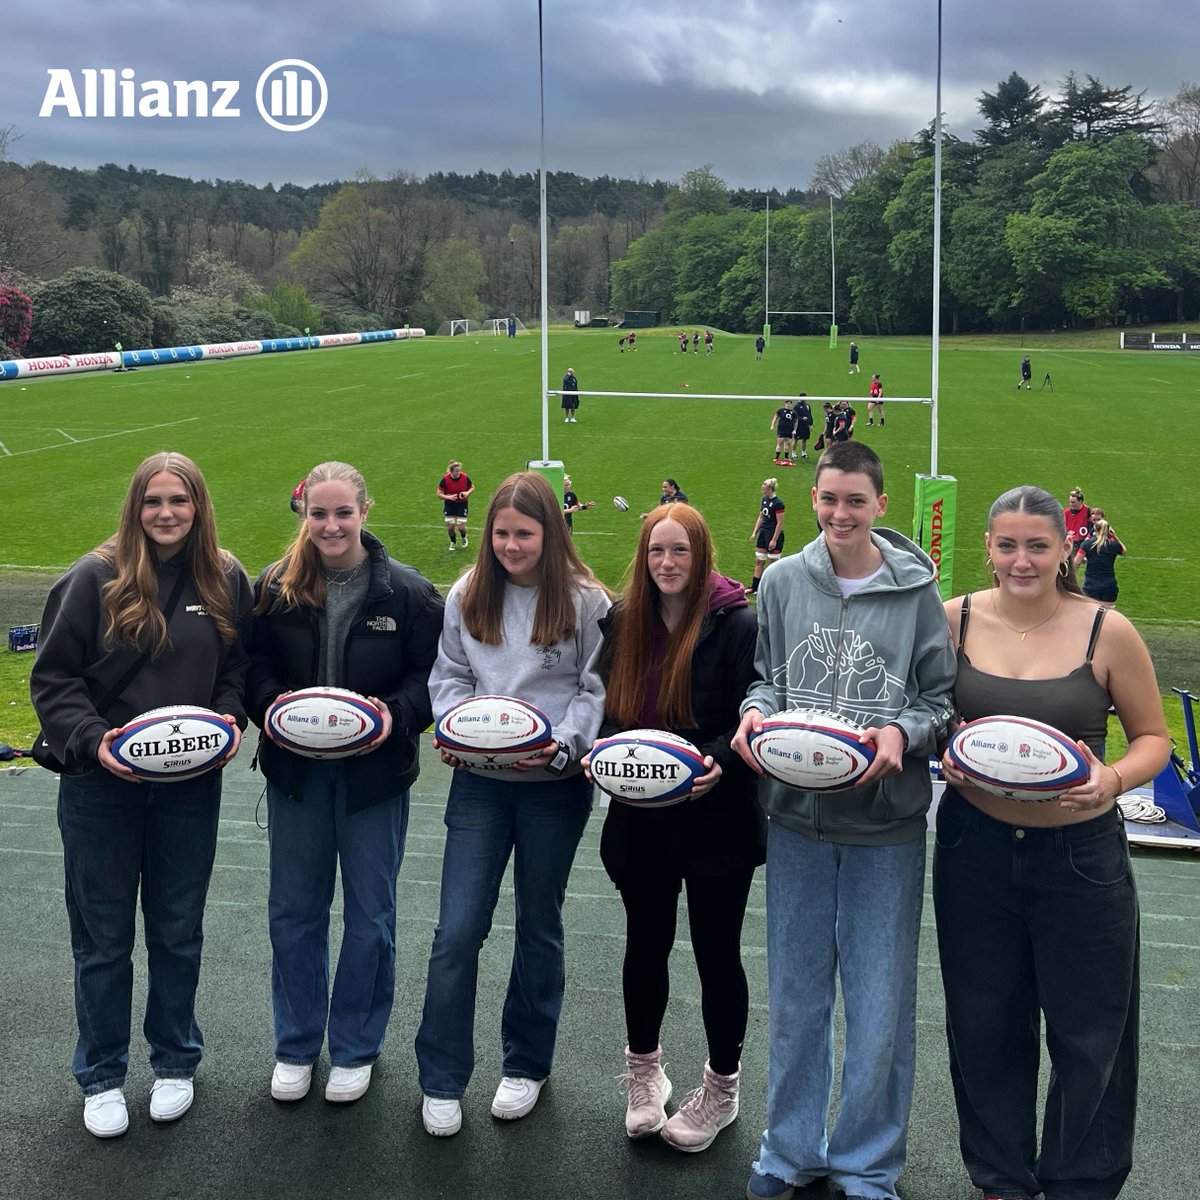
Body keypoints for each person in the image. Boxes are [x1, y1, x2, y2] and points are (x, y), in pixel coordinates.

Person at [732, 441, 956, 1200]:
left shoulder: (918, 591)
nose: (839, 514)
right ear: (814, 498)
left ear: (880, 506)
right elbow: (766, 679)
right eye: (829, 499)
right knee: (795, 998)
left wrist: (904, 733)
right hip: (796, 818)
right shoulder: (785, 582)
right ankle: (789, 1151)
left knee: (879, 1003)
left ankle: (867, 1165)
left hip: (884, 828)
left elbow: (937, 699)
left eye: (855, 501)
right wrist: (754, 716)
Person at [934, 485, 1169, 1200]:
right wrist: (941, 748)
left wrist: (1112, 780)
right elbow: (922, 716)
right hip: (973, 850)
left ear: (1065, 549)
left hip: (1080, 857)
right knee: (983, 1025)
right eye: (1007, 545)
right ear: (988, 548)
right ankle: (1001, 1178)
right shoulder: (952, 620)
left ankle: (1080, 1182)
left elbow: (1154, 740)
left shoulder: (1107, 630)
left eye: (1038, 545)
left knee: (1090, 1033)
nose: (1021, 560)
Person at [30, 451, 254, 1139]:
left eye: (178, 501)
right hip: (103, 789)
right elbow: (54, 679)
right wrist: (95, 739)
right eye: (153, 501)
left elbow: (238, 665)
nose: (165, 513)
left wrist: (229, 718)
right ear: (135, 507)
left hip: (189, 789)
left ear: (198, 506)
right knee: (103, 937)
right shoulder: (93, 578)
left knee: (178, 930)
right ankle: (101, 1073)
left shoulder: (226, 577)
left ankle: (175, 1061)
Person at [416, 472, 612, 1138]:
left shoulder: (586, 602)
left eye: (523, 533)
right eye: (500, 533)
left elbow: (593, 691)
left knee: (538, 924)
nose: (509, 545)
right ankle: (442, 1077)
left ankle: (525, 1064)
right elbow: (449, 675)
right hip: (479, 782)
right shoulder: (469, 593)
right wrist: (454, 728)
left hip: (554, 786)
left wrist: (561, 747)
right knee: (457, 929)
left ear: (549, 533)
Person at [248, 461, 444, 1107]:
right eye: (318, 513)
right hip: (297, 777)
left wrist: (395, 717)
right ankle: (297, 1042)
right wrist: (276, 710)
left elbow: (431, 679)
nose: (330, 525)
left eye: (343, 512)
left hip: (373, 779)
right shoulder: (274, 588)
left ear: (366, 511)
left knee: (370, 916)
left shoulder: (409, 593)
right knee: (294, 912)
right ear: (303, 513)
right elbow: (253, 668)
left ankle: (355, 1045)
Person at [584, 504, 763, 1151]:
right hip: (641, 814)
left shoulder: (737, 622)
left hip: (717, 814)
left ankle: (722, 1088)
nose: (667, 563)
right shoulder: (622, 620)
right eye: (657, 551)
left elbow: (753, 713)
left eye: (679, 551)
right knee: (646, 943)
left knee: (717, 953)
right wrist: (604, 753)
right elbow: (604, 713)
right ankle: (644, 1073)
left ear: (701, 555)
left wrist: (715, 758)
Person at [1074, 505, 1126, 606]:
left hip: (1091, 584)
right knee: (1108, 614)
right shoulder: (1114, 544)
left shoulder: (1087, 544)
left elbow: (1076, 562)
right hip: (1109, 583)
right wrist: (1115, 537)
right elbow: (1123, 551)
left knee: (1090, 613)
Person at [746, 477, 786, 597]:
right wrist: (755, 532)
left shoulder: (778, 503)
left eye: (764, 489)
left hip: (773, 535)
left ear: (770, 489)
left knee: (774, 564)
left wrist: (774, 539)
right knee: (759, 561)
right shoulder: (764, 500)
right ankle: (754, 587)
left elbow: (780, 523)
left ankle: (775, 589)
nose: (762, 491)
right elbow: (761, 517)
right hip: (763, 534)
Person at [437, 461, 474, 552]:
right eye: (457, 471)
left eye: (459, 471)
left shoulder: (465, 477)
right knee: (450, 527)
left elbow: (472, 487)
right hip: (450, 505)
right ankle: (453, 542)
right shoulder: (444, 480)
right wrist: (448, 497)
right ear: (451, 472)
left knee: (461, 527)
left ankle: (463, 537)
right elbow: (439, 494)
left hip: (462, 504)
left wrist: (467, 493)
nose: (459, 473)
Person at [770, 399, 799, 466]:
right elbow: (775, 418)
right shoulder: (781, 410)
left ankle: (786, 457)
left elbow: (796, 422)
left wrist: (794, 430)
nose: (788, 405)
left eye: (790, 403)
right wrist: (772, 425)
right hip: (781, 429)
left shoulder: (793, 412)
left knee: (787, 443)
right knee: (780, 442)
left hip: (789, 429)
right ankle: (776, 457)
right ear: (785, 404)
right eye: (787, 403)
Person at [793, 394, 812, 460]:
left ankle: (803, 453)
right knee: (796, 439)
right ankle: (793, 453)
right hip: (799, 425)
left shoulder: (807, 405)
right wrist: (801, 418)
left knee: (805, 439)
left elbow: (810, 415)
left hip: (806, 425)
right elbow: (795, 416)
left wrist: (811, 424)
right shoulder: (796, 406)